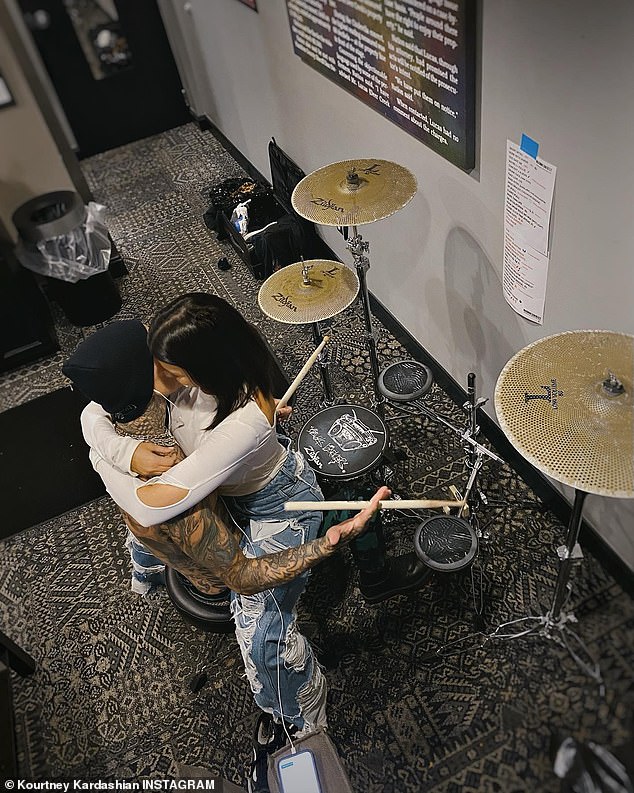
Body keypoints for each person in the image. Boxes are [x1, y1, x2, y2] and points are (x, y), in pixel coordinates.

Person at [65, 298, 389, 792]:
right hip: (221, 490)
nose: (156, 385)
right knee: (149, 520)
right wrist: (124, 451)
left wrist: (107, 465)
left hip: (278, 504)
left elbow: (153, 503)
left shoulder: (246, 421)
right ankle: (152, 570)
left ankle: (303, 707)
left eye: (168, 375)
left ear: (204, 366)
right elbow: (93, 415)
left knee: (256, 634)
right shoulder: (182, 375)